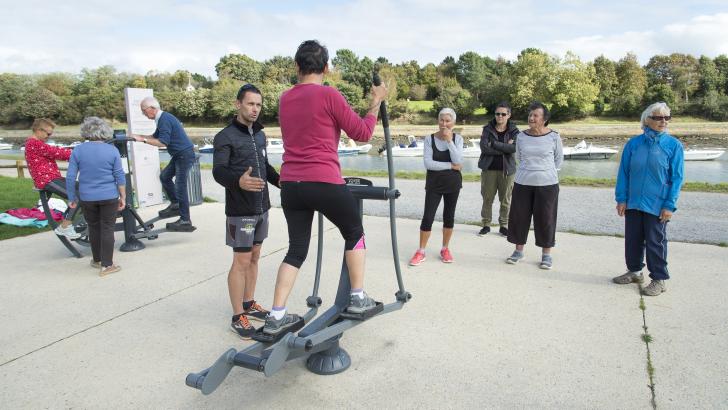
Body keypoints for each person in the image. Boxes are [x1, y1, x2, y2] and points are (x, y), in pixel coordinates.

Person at [261, 39, 387, 336]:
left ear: (296, 66)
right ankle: (357, 296)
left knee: (296, 249)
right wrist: (376, 102)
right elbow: (363, 133)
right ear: (327, 68)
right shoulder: (329, 95)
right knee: (354, 232)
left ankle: (276, 315)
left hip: (290, 183)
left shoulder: (285, 98)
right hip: (323, 180)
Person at [212, 84, 280, 339]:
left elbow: (265, 165)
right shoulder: (225, 136)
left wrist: (280, 181)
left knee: (254, 257)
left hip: (262, 207)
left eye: (259, 105)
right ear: (237, 104)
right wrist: (237, 181)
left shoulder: (260, 135)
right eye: (250, 104)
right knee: (240, 261)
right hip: (241, 211)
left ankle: (250, 303)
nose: (255, 109)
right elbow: (218, 171)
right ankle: (237, 314)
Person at [613, 102, 684, 296]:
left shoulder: (673, 146)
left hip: (658, 203)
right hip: (634, 201)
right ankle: (635, 271)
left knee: (655, 241)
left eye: (667, 117)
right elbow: (624, 173)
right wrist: (621, 198)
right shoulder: (633, 144)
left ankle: (659, 279)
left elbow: (677, 178)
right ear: (647, 120)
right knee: (633, 239)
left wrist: (669, 205)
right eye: (659, 117)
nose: (663, 121)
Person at [505, 101, 563, 269]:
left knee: (546, 219)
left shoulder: (554, 136)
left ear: (544, 119)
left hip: (548, 184)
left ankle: (546, 255)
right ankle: (518, 251)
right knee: (519, 217)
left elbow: (558, 160)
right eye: (530, 115)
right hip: (523, 183)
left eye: (535, 115)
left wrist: (544, 171)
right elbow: (519, 158)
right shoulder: (521, 136)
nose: (531, 118)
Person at [66, 117, 126, 276]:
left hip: (87, 197)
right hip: (109, 196)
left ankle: (97, 259)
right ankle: (107, 265)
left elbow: (71, 177)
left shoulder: (78, 150)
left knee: (93, 227)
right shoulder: (112, 150)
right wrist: (123, 197)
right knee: (107, 228)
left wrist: (71, 197)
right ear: (105, 131)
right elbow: (119, 176)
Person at [408, 108, 464, 266]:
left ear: (453, 122)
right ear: (438, 121)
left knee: (449, 216)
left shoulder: (457, 139)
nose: (444, 124)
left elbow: (458, 160)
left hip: (453, 184)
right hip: (434, 184)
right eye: (442, 120)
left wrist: (449, 141)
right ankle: (421, 251)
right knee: (428, 217)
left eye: (448, 120)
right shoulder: (429, 139)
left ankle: (445, 248)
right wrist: (450, 166)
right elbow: (429, 164)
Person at [132, 97, 196, 232]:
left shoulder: (164, 119)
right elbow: (154, 137)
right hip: (180, 154)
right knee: (164, 177)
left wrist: (142, 140)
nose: (144, 114)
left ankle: (185, 220)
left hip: (183, 154)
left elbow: (162, 142)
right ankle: (176, 204)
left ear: (152, 108)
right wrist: (136, 136)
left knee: (180, 186)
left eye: (144, 111)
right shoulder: (161, 119)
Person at [24, 118, 81, 239]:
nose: (49, 136)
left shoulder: (38, 144)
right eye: (48, 134)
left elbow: (56, 151)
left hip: (53, 178)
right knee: (76, 197)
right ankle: (65, 227)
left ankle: (72, 220)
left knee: (83, 188)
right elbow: (57, 153)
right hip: (47, 180)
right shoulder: (33, 143)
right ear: (38, 130)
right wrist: (82, 153)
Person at [478, 102, 519, 237]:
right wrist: (504, 149)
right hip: (489, 169)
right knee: (487, 198)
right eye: (497, 114)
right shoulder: (487, 129)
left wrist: (494, 144)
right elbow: (484, 148)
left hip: (507, 170)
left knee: (506, 199)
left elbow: (514, 148)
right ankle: (486, 224)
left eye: (503, 114)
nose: (500, 116)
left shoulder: (514, 131)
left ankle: (503, 225)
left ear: (509, 115)